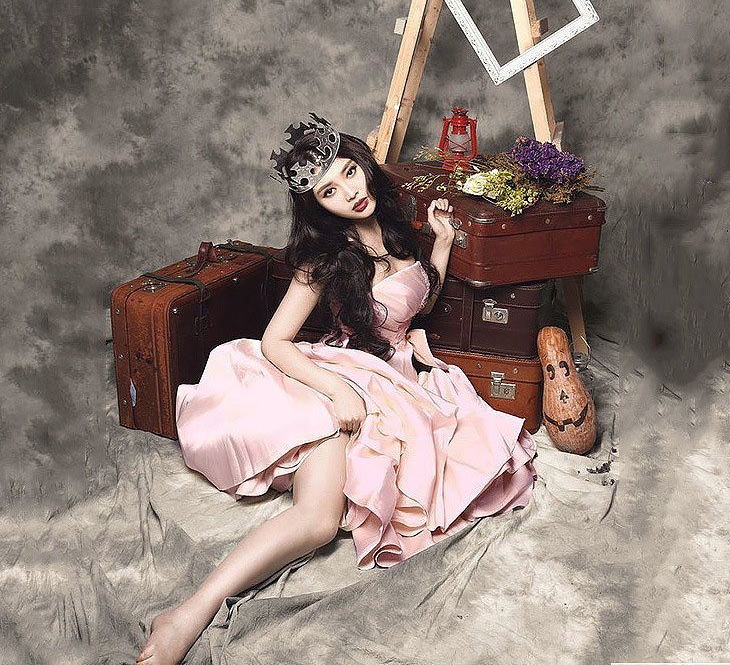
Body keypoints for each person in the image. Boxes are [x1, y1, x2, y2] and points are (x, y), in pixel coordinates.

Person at [136, 113, 537, 664]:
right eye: (329, 190)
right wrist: (338, 392)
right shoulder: (325, 260)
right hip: (336, 377)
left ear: (363, 164)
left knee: (442, 466)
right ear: (318, 206)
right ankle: (188, 613)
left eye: (350, 172)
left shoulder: (397, 234)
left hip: (388, 382)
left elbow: (420, 300)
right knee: (319, 522)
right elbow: (275, 342)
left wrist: (442, 244)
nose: (349, 192)